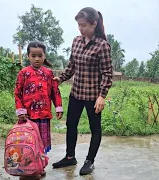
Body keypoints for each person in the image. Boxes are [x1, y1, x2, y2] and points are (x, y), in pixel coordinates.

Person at [52, 7, 113, 175]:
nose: (80, 28)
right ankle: (70, 156)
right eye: (79, 25)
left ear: (94, 24)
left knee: (95, 129)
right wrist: (61, 78)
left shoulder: (102, 46)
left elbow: (107, 74)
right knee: (71, 124)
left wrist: (102, 96)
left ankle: (89, 161)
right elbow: (72, 65)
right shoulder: (76, 41)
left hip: (93, 96)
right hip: (76, 92)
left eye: (84, 25)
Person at [14, 41, 63, 179]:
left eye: (40, 55)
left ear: (44, 56)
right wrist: (21, 111)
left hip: (43, 116)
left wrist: (58, 107)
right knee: (27, 143)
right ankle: (25, 169)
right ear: (28, 56)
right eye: (33, 55)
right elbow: (17, 93)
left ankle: (39, 169)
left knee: (41, 144)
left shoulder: (48, 73)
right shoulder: (23, 73)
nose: (37, 59)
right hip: (27, 117)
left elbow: (55, 91)